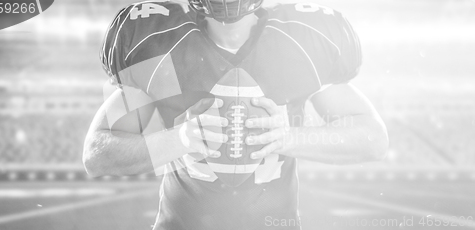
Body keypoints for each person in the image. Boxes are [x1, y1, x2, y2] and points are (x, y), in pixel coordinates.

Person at [83, 0, 389, 229]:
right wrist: (180, 139)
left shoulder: (298, 45)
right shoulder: (166, 47)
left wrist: (290, 137)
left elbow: (373, 139)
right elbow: (96, 154)